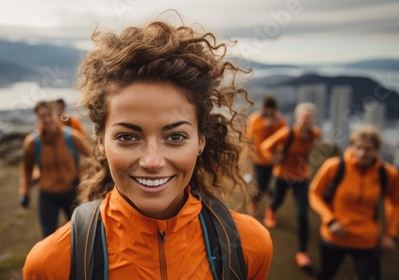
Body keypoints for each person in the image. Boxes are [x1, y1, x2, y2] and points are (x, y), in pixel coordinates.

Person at [23, 19, 273, 279]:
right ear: (101, 141)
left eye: (175, 136)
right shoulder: (51, 266)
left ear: (201, 140)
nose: (152, 161)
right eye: (128, 137)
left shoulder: (249, 247)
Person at [309, 126, 399, 280]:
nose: (362, 153)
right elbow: (314, 193)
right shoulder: (335, 166)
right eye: (358, 147)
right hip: (334, 237)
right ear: (351, 146)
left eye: (368, 149)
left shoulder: (387, 174)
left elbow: (395, 202)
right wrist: (330, 219)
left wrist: (390, 234)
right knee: (326, 275)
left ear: (377, 150)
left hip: (367, 241)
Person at [260, 102, 321, 269]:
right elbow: (266, 146)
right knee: (277, 201)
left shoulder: (315, 134)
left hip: (301, 177)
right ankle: (271, 210)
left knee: (302, 214)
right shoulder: (287, 133)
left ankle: (302, 252)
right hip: (282, 176)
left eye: (310, 118)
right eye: (304, 117)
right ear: (298, 118)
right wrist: (272, 158)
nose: (307, 120)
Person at [19, 100, 91, 237]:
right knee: (48, 237)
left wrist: (83, 177)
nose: (46, 119)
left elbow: (93, 158)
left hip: (73, 193)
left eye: (49, 115)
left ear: (56, 114)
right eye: (42, 116)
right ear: (38, 118)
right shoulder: (32, 142)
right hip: (48, 195)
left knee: (80, 236)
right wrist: (24, 191)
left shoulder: (71, 136)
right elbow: (26, 168)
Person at [246, 95, 286, 215]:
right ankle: (254, 202)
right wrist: (248, 153)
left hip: (272, 159)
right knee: (260, 182)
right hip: (257, 158)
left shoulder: (280, 121)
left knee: (268, 181)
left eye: (272, 108)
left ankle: (263, 201)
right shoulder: (255, 119)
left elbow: (283, 138)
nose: (270, 111)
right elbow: (249, 137)